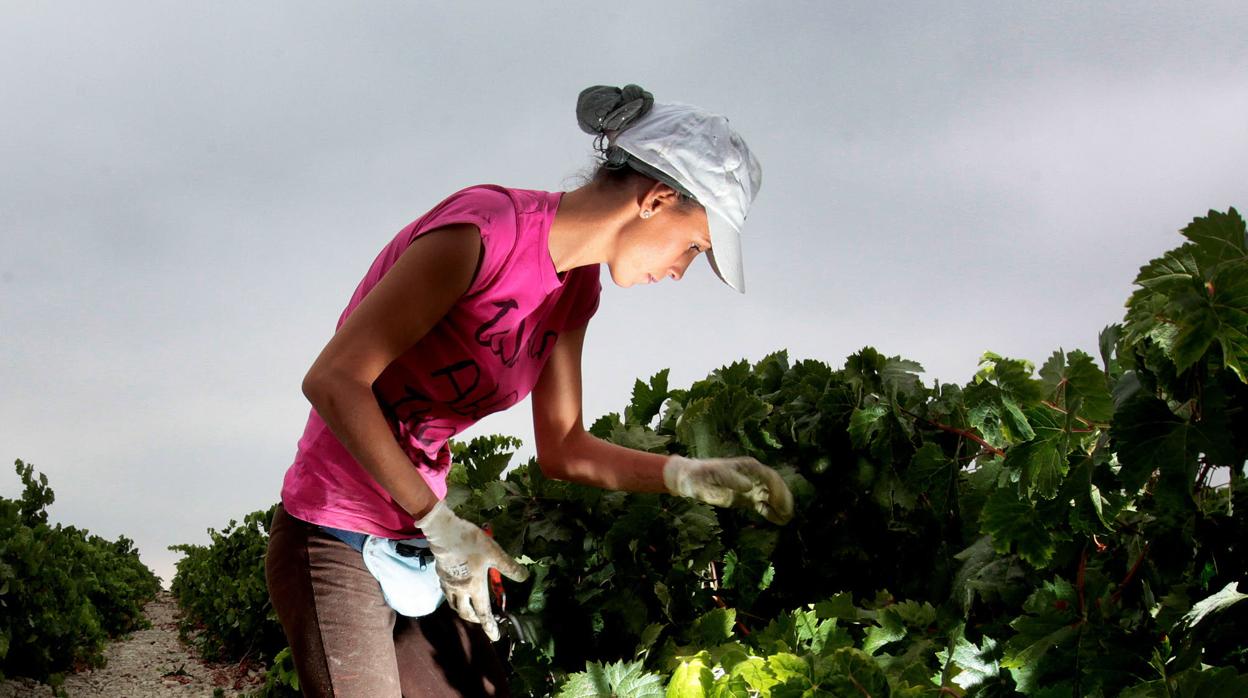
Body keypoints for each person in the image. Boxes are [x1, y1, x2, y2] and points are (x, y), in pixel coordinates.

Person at [264, 84, 794, 698]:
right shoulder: (484, 231)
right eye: (694, 247)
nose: (680, 270)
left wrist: (690, 475)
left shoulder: (575, 290)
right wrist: (437, 520)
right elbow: (333, 379)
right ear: (657, 199)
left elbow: (566, 448)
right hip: (333, 530)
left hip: (418, 537)